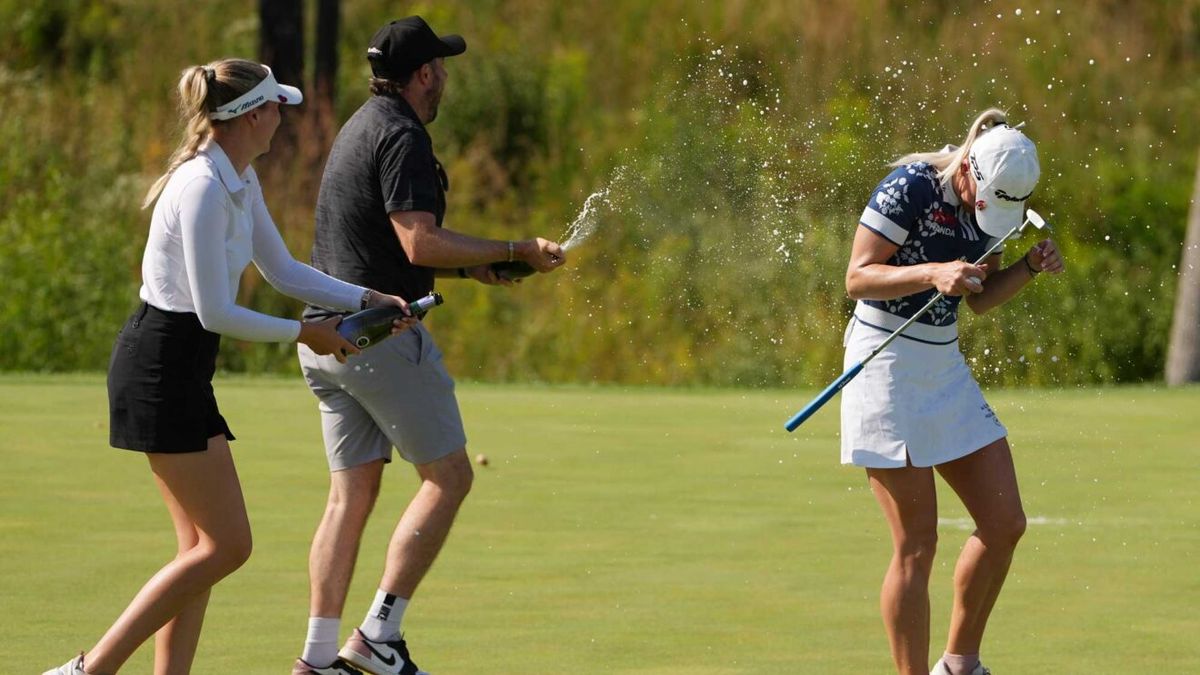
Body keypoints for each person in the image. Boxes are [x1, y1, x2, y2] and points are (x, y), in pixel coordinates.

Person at [45, 59, 417, 675]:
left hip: (184, 368)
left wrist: (365, 298)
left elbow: (283, 270)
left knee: (200, 549)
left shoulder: (239, 177)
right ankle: (90, 669)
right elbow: (215, 310)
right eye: (275, 107)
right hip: (159, 366)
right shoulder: (200, 188)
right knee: (227, 546)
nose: (281, 117)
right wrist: (306, 332)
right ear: (251, 116)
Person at [290, 16, 566, 675]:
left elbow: (382, 243)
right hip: (381, 339)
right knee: (450, 477)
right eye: (439, 67)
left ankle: (318, 657)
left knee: (349, 496)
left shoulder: (363, 124)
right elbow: (418, 242)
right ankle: (378, 635)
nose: (444, 77)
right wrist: (515, 247)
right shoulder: (404, 136)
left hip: (327, 341)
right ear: (422, 75)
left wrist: (473, 268)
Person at [839, 108, 1064, 675]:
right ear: (968, 168)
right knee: (917, 543)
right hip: (883, 361)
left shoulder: (997, 208)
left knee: (1005, 523)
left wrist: (1029, 267)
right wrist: (932, 272)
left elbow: (980, 300)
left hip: (942, 365)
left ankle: (960, 665)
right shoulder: (911, 186)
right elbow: (857, 278)